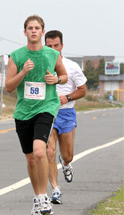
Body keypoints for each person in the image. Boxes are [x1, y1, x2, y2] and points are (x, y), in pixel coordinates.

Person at [5, 15, 68, 215]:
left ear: (42, 32)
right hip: (23, 112)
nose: (33, 31)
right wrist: (22, 73)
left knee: (40, 151)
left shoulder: (52, 54)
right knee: (31, 158)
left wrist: (56, 79)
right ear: (25, 32)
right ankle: (37, 197)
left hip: (46, 107)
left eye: (37, 28)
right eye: (30, 28)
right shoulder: (16, 56)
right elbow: (8, 87)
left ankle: (43, 198)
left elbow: (64, 75)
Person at [45, 30, 87, 204]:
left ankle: (66, 163)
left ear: (62, 46)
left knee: (67, 154)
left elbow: (83, 90)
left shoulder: (72, 66)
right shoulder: (40, 64)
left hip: (66, 112)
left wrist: (67, 97)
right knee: (49, 152)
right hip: (47, 112)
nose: (53, 49)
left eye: (56, 45)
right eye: (49, 46)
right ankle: (55, 190)